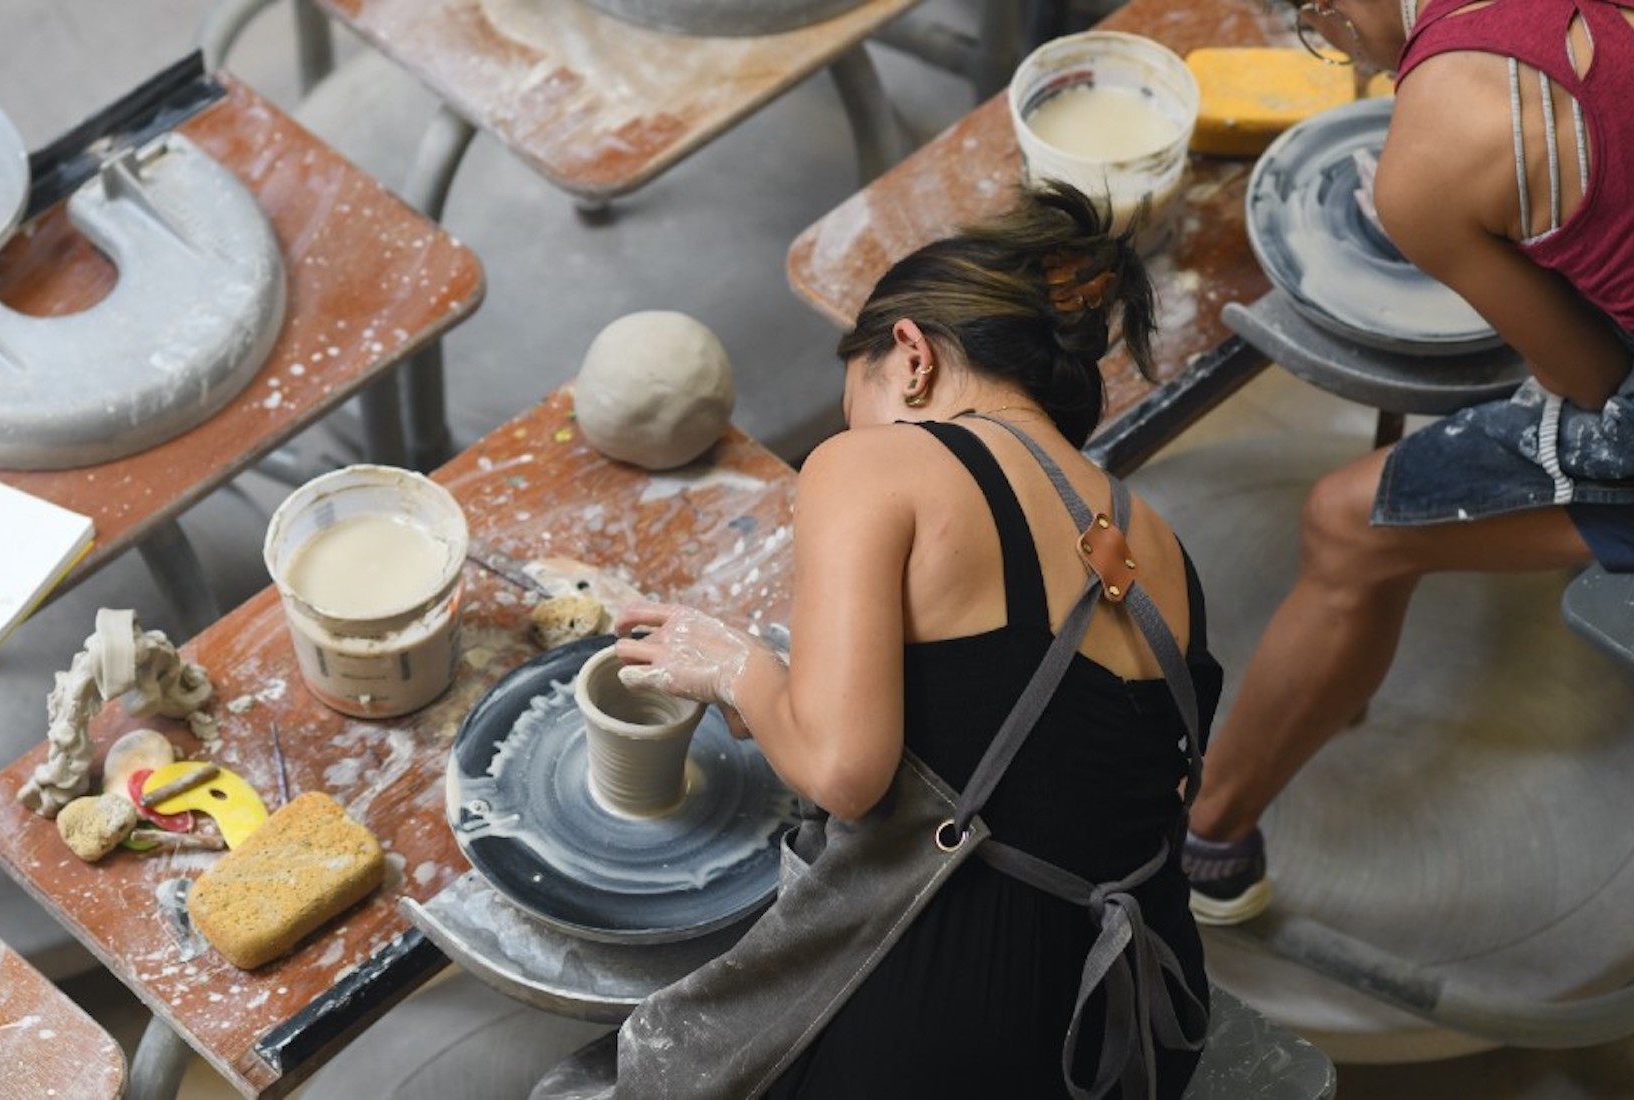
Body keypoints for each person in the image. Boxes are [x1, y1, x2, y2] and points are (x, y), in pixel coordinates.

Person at [609, 182, 1224, 1097]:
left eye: (853, 401)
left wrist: (744, 671)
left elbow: (844, 770)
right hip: (1137, 1032)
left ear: (910, 357)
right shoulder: (1160, 543)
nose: (852, 429)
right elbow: (1069, 761)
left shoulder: (874, 463)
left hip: (956, 1037)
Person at [1182, 0, 1634, 925]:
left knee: (1348, 526)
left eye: (1322, 34)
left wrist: (1459, 235)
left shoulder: (1435, 146)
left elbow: (1589, 374)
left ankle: (1208, 846)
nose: (1348, 62)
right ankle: (1322, 694)